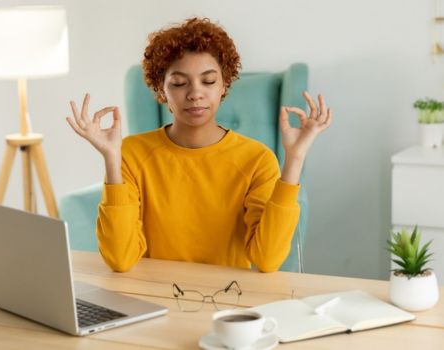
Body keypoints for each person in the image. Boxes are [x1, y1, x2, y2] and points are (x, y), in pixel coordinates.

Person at [67, 18, 332, 273]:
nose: (195, 93)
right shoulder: (131, 154)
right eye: (180, 83)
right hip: (153, 301)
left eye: (208, 81)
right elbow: (120, 260)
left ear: (224, 85)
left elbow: (267, 260)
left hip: (227, 303)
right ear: (161, 91)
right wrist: (112, 159)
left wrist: (295, 158)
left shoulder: (257, 159)